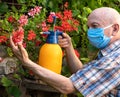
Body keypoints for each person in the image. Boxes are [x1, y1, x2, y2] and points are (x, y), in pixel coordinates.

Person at [10, 7, 120, 97]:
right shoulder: (109, 52)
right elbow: (83, 77)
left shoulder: (115, 59)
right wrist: (69, 47)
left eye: (95, 26)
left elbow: (69, 87)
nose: (90, 31)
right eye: (88, 27)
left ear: (115, 29)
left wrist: (27, 62)